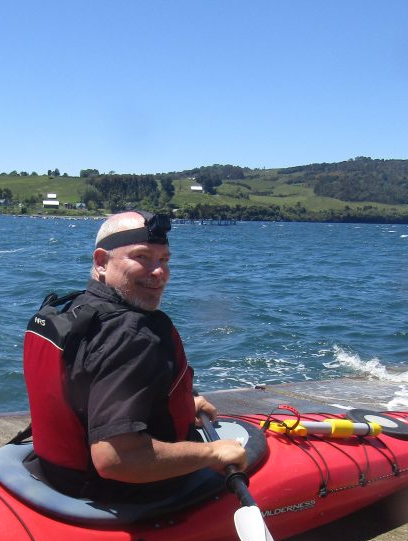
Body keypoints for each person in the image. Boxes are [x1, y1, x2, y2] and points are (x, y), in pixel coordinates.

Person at [22, 210, 247, 500]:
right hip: (115, 491)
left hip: (56, 474)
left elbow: (91, 386)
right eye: (142, 257)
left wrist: (178, 405)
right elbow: (115, 458)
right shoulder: (131, 334)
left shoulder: (75, 309)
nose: (159, 272)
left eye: (164, 260)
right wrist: (212, 453)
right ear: (101, 262)